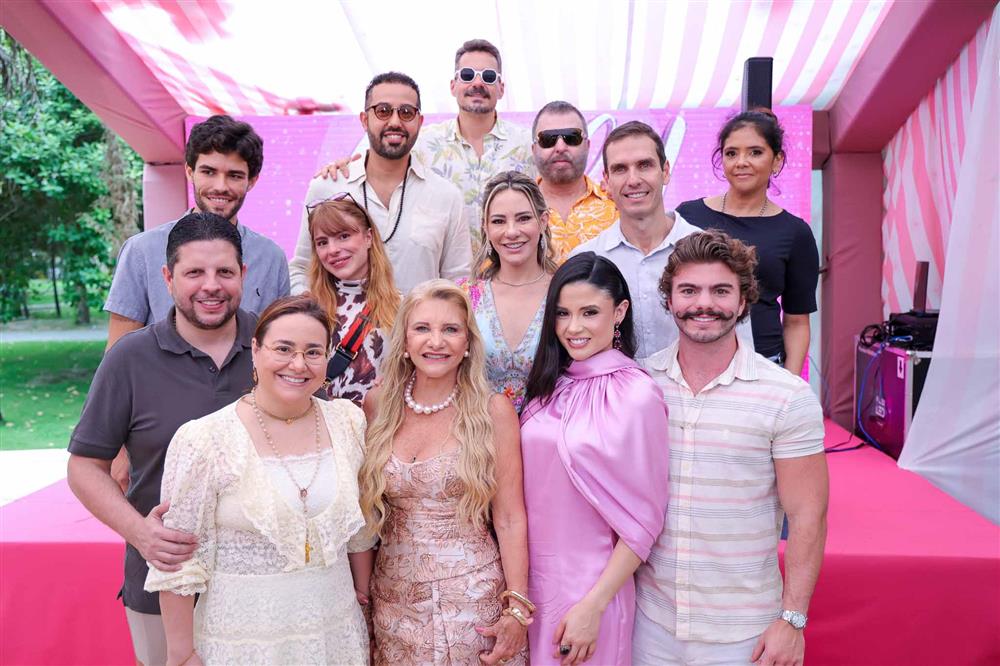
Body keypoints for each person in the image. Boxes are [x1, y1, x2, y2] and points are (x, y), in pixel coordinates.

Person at [67, 213, 256, 666]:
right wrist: (140, 533)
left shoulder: (276, 346)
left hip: (262, 588)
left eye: (224, 272)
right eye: (194, 272)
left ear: (243, 274)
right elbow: (84, 466)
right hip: (163, 581)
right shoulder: (130, 358)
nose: (211, 285)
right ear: (168, 278)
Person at [145, 295, 373, 665]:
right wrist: (181, 654)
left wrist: (365, 600)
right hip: (242, 644)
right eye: (283, 348)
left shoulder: (347, 423)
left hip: (335, 635)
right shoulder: (205, 439)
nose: (298, 364)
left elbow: (359, 529)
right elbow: (177, 561)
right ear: (255, 349)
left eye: (313, 352)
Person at [634, 230, 828, 666]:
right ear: (670, 299)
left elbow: (807, 517)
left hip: (745, 635)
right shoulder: (640, 384)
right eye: (689, 290)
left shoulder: (787, 397)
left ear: (743, 301)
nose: (703, 303)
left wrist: (793, 620)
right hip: (649, 626)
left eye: (720, 291)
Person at [358, 280, 529, 665]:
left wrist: (517, 607)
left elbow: (509, 517)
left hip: (472, 604)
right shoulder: (377, 406)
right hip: (393, 602)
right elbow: (366, 519)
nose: (436, 341)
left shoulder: (492, 412)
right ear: (404, 341)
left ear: (467, 342)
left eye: (450, 329)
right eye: (422, 328)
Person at [520, 252, 670, 665]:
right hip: (535, 590)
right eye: (563, 313)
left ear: (619, 312)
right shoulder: (550, 386)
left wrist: (594, 605)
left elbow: (645, 520)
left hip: (593, 595)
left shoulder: (637, 394)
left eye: (589, 312)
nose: (573, 328)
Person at [317, 39, 535, 253]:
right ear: (453, 86)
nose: (477, 84)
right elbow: (370, 162)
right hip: (441, 273)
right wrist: (342, 166)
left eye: (488, 77)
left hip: (512, 271)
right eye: (468, 75)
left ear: (501, 88)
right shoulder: (421, 141)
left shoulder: (528, 144)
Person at [104, 115, 289, 348]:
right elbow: (118, 353)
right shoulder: (142, 251)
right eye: (209, 172)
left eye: (234, 175)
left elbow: (281, 348)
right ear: (190, 172)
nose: (220, 186)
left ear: (252, 181)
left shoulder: (271, 257)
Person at [289, 72, 471, 295]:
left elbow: (459, 281)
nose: (394, 122)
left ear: (419, 122)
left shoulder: (446, 196)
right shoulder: (328, 187)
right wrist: (313, 310)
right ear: (364, 120)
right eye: (383, 111)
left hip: (418, 319)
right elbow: (301, 268)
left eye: (406, 113)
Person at [676, 109, 819, 374]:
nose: (741, 162)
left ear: (777, 160)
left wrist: (791, 382)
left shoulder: (795, 232)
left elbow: (797, 321)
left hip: (764, 365)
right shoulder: (688, 216)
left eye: (755, 152)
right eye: (732, 153)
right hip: (694, 363)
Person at [571, 121, 702, 361]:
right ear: (606, 181)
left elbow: (738, 344)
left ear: (665, 171)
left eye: (644, 165)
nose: (633, 179)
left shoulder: (709, 254)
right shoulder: (587, 259)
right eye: (620, 169)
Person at [459, 171, 558, 412]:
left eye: (523, 218)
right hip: (480, 428)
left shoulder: (565, 292)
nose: (511, 231)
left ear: (543, 221)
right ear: (485, 227)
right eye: (498, 221)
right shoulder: (466, 295)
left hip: (551, 428)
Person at [305, 194, 400, 405]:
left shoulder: (404, 309)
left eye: (343, 236)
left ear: (368, 237)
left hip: (379, 422)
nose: (333, 250)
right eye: (322, 242)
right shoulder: (305, 310)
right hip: (319, 422)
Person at [531, 101, 617, 261]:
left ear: (588, 145)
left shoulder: (617, 207)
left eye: (572, 137)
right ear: (534, 149)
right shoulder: (514, 210)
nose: (560, 147)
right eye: (548, 139)